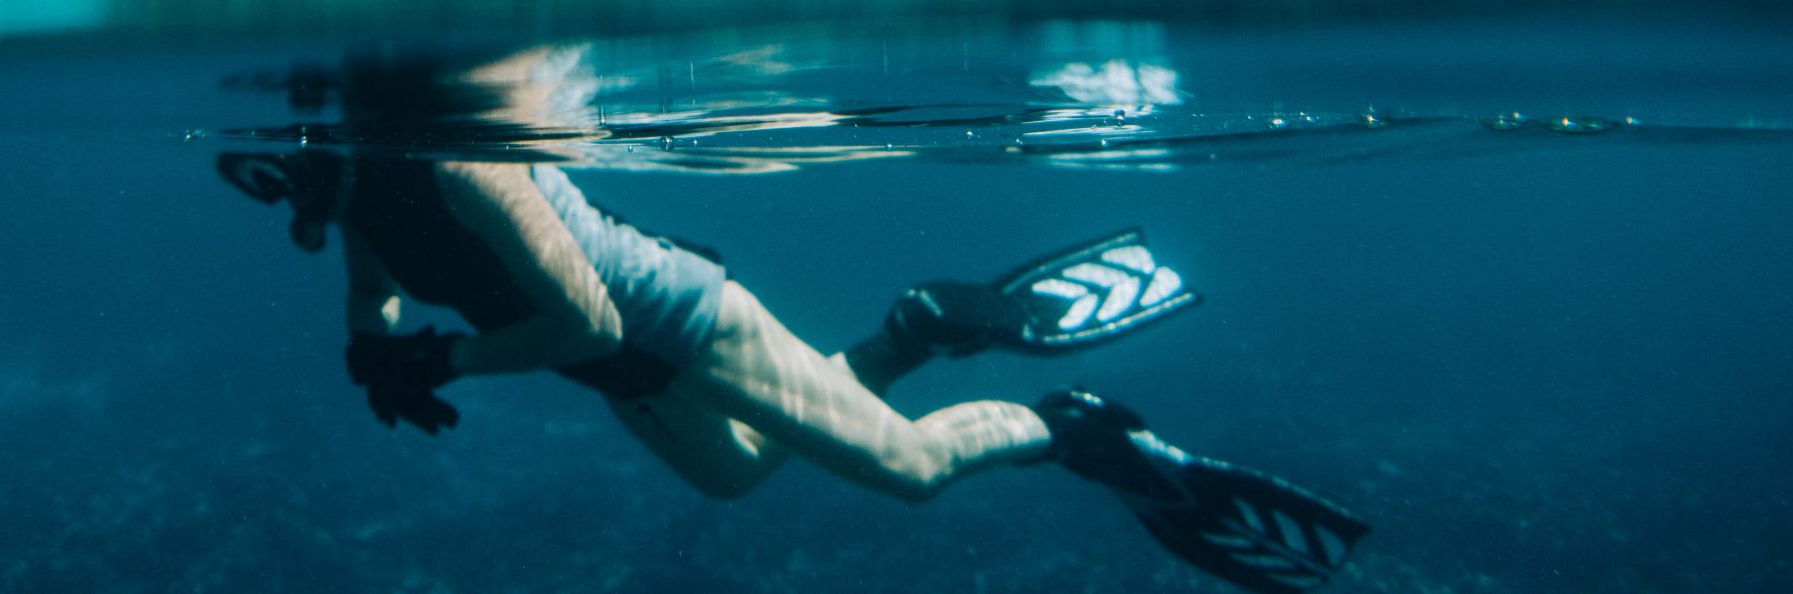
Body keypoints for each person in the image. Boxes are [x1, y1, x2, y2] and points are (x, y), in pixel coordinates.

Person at [216, 55, 1365, 594]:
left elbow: (580, 314)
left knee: (909, 468)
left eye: (294, 184)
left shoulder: (462, 160)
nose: (301, 212)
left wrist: (446, 355)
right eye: (282, 193)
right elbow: (373, 286)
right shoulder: (361, 186)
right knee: (733, 475)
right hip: (619, 369)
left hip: (676, 324)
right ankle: (913, 328)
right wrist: (375, 348)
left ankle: (1069, 429)